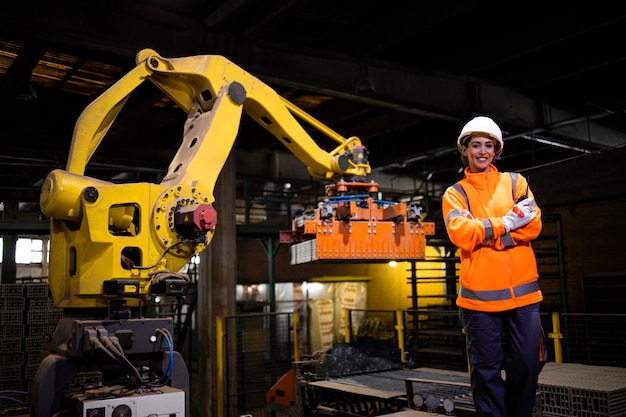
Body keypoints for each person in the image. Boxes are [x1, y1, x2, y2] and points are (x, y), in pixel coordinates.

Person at [441, 116, 546, 417]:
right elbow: (461, 234)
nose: (482, 151)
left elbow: (533, 225)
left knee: (526, 365)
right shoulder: (456, 193)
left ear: (497, 150)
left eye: (489, 145)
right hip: (479, 300)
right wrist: (508, 223)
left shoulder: (516, 183)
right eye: (475, 145)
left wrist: (487, 233)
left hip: (523, 299)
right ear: (465, 149)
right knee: (486, 373)